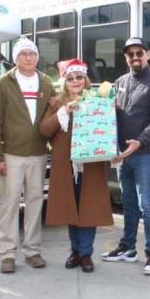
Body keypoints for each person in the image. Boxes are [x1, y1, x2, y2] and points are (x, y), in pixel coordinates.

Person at [101, 36, 150, 275]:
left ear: (148, 54)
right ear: (126, 58)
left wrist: (138, 143)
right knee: (128, 203)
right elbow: (111, 118)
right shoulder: (120, 82)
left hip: (145, 155)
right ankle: (128, 248)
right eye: (130, 54)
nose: (135, 57)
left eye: (139, 53)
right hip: (122, 156)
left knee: (147, 205)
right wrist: (111, 147)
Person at [0, 37, 56, 273]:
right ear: (15, 58)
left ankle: (32, 250)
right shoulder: (3, 83)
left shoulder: (46, 83)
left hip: (38, 153)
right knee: (8, 203)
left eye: (32, 53)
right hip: (10, 154)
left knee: (36, 202)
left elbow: (53, 113)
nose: (28, 58)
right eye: (23, 54)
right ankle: (7, 254)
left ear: (37, 57)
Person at [39, 59, 113, 273]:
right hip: (66, 165)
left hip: (91, 165)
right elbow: (44, 130)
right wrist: (65, 111)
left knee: (89, 208)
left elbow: (109, 127)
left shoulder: (98, 99)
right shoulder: (55, 103)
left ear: (85, 79)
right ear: (64, 81)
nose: (75, 81)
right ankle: (75, 251)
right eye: (70, 78)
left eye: (79, 77)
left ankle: (86, 253)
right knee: (70, 208)